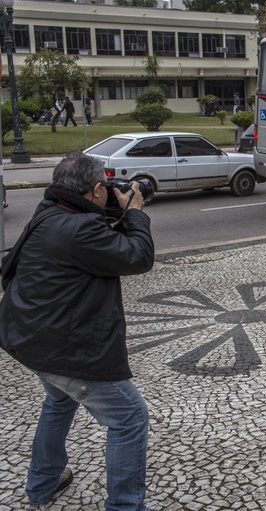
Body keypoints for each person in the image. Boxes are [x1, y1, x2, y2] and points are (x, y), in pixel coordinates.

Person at [0, 152, 154, 510]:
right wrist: (135, 211)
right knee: (130, 418)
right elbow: (138, 257)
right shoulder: (80, 228)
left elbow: (96, 241)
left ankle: (42, 484)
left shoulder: (51, 213)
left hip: (28, 338)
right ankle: (125, 506)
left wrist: (114, 212)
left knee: (59, 400)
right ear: (97, 188)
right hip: (63, 348)